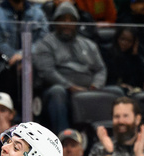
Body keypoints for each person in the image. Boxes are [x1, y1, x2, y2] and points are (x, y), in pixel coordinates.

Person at [32, 2, 107, 133]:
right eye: (63, 20)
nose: (67, 24)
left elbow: (101, 69)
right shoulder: (46, 44)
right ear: (55, 22)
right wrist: (70, 86)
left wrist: (95, 85)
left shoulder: (88, 44)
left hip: (90, 88)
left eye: (71, 20)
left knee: (117, 92)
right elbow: (47, 71)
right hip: (60, 90)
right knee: (57, 91)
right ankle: (64, 139)